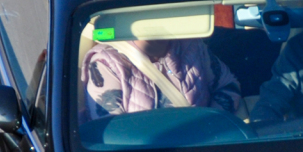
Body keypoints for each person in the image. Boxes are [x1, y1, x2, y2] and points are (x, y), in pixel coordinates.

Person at [81, 37, 241, 120]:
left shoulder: (192, 46)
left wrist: (210, 127)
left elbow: (228, 86)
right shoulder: (106, 63)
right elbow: (110, 131)